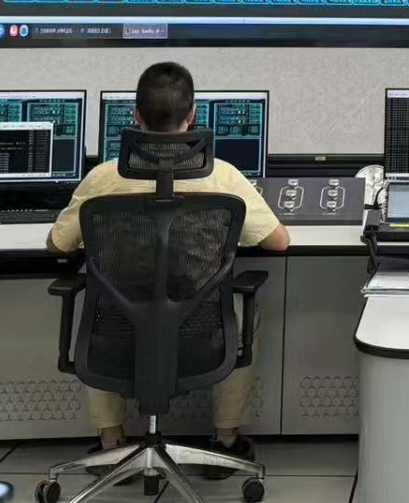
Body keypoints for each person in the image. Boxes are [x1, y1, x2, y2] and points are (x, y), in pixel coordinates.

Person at [48, 62, 290, 471]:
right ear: (192, 114)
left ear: (136, 116)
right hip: (202, 341)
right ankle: (227, 438)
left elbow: (58, 244)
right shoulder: (224, 178)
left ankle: (111, 441)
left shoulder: (102, 179)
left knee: (100, 302)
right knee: (241, 309)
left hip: (116, 340)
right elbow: (278, 241)